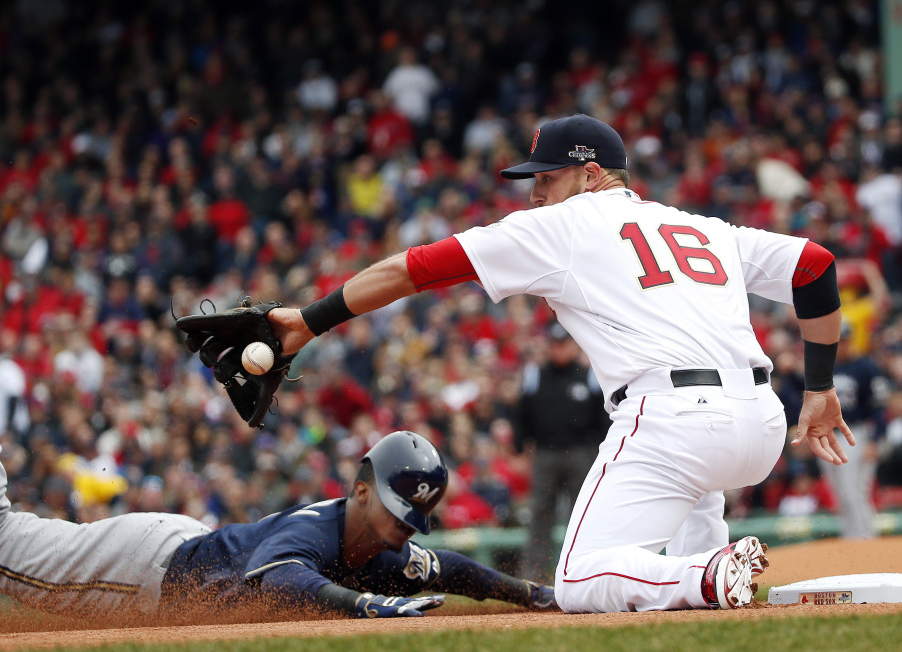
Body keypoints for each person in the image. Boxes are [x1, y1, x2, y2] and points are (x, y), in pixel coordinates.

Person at [268, 113, 854, 612]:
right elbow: (816, 266)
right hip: (762, 423)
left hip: (676, 421)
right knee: (692, 494)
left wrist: (309, 320)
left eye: (547, 179)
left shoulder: (564, 226)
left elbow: (413, 268)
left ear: (591, 174)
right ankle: (708, 574)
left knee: (576, 580)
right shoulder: (699, 225)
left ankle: (703, 574)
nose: (535, 194)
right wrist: (820, 389)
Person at [0, 326, 556, 619]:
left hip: (171, 554)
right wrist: (362, 605)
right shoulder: (319, 531)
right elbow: (279, 578)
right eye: (391, 509)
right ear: (358, 489)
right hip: (145, 574)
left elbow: (453, 568)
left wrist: (529, 594)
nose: (399, 530)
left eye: (408, 519)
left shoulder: (374, 543)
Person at [514, 324, 607, 582]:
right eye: (555, 344)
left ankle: (582, 571)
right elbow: (521, 413)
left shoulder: (588, 375)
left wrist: (601, 451)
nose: (559, 349)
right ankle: (532, 575)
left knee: (581, 516)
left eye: (564, 344)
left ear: (573, 345)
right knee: (540, 515)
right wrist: (520, 446)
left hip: (580, 453)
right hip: (545, 454)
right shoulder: (535, 375)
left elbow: (603, 417)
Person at [817, 323, 888, 538]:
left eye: (845, 340)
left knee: (854, 490)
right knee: (838, 492)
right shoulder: (826, 367)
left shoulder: (865, 367)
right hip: (828, 435)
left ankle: (864, 539)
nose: (842, 345)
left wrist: (875, 440)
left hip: (854, 433)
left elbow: (878, 408)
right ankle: (850, 538)